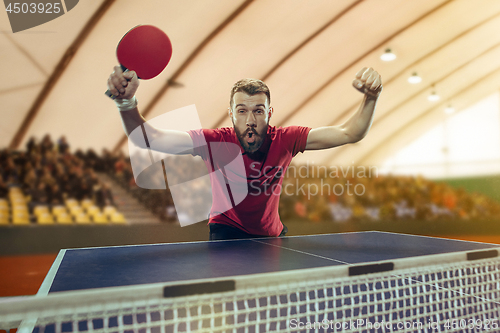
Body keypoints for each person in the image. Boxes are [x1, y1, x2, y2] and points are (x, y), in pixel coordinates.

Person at [107, 66, 382, 240]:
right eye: (242, 111)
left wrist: (371, 97)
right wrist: (126, 103)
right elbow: (149, 139)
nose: (250, 120)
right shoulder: (215, 142)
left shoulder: (287, 139)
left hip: (272, 234)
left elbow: (351, 133)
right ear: (231, 115)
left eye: (258, 111)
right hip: (227, 232)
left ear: (269, 114)